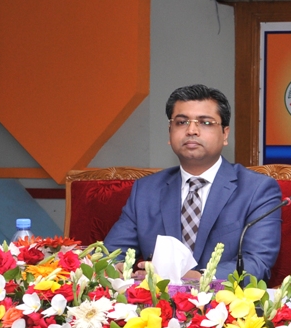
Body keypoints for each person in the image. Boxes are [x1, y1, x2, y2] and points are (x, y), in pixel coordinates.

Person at [105, 85, 282, 283]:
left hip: (224, 300)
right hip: (157, 301)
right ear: (170, 132)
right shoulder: (145, 190)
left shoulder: (257, 189)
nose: (191, 130)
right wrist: (114, 269)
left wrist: (198, 278)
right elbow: (110, 255)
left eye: (205, 122)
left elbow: (257, 263)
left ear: (225, 134)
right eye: (181, 122)